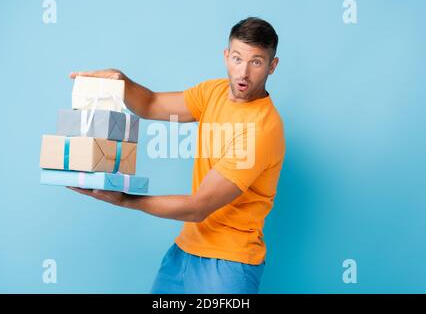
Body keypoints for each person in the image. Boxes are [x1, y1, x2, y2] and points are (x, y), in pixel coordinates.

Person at [68, 17, 285, 294]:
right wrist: (120, 82)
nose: (243, 72)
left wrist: (124, 199)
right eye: (237, 58)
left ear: (272, 66)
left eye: (256, 62)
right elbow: (150, 103)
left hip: (229, 263)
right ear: (226, 56)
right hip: (183, 252)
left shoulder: (262, 129)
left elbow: (198, 207)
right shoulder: (214, 92)